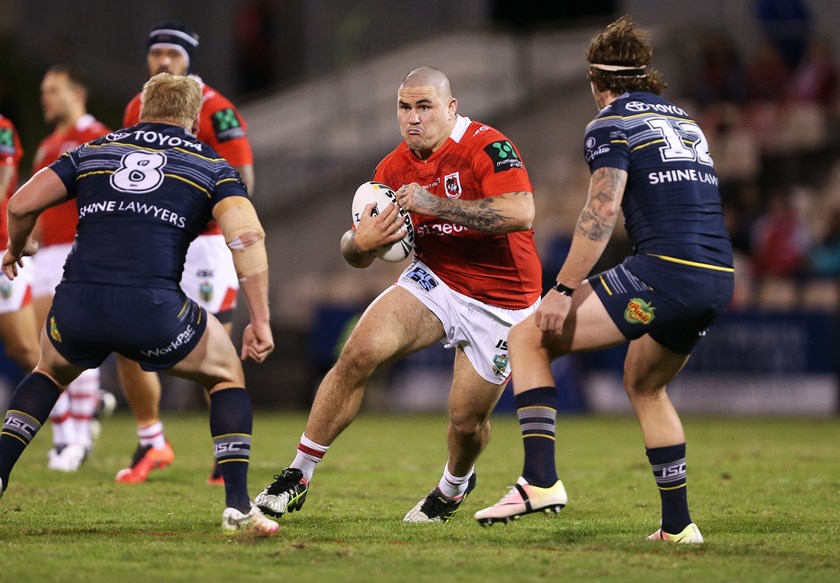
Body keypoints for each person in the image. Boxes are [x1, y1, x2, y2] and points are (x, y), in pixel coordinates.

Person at [472, 16, 735, 544]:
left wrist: (562, 289)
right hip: (718, 276)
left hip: (664, 272)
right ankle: (678, 526)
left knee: (528, 337)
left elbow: (601, 211)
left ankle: (539, 480)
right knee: (645, 383)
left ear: (597, 80)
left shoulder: (610, 123)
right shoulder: (685, 120)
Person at [254, 66, 542, 523]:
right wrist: (358, 243)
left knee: (466, 421)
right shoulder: (391, 169)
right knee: (358, 353)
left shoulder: (487, 146)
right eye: (404, 107)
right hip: (436, 280)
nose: (413, 118)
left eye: (424, 106)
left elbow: (521, 212)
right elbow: (357, 253)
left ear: (451, 108)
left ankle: (454, 486)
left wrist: (436, 205)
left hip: (502, 302)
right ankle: (298, 474)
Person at [0, 72, 278, 535]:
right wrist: (261, 320)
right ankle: (237, 506)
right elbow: (246, 237)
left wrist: (16, 247)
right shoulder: (210, 163)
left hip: (79, 305)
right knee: (226, 373)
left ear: (142, 109)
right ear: (194, 119)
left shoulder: (93, 150)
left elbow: (21, 203)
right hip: (152, 310)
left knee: (48, 373)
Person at [115, 21, 255, 484]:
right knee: (124, 339)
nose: (163, 61)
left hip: (205, 243)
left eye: (172, 54)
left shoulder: (217, 109)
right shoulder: (136, 106)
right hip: (152, 240)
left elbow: (243, 177)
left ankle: (225, 452)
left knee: (214, 349)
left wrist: (217, 221)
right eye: (156, 53)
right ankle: (151, 440)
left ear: (188, 60)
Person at [32, 64, 111, 472]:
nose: (45, 97)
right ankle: (66, 436)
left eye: (53, 90)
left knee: (74, 344)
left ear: (76, 93)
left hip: (81, 249)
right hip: (45, 254)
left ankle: (76, 440)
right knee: (43, 349)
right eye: (43, 90)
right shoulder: (47, 145)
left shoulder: (98, 136)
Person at [0, 114, 40, 380]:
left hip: (1, 247)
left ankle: (78, 392)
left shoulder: (2, 128)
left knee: (24, 349)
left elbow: (2, 184)